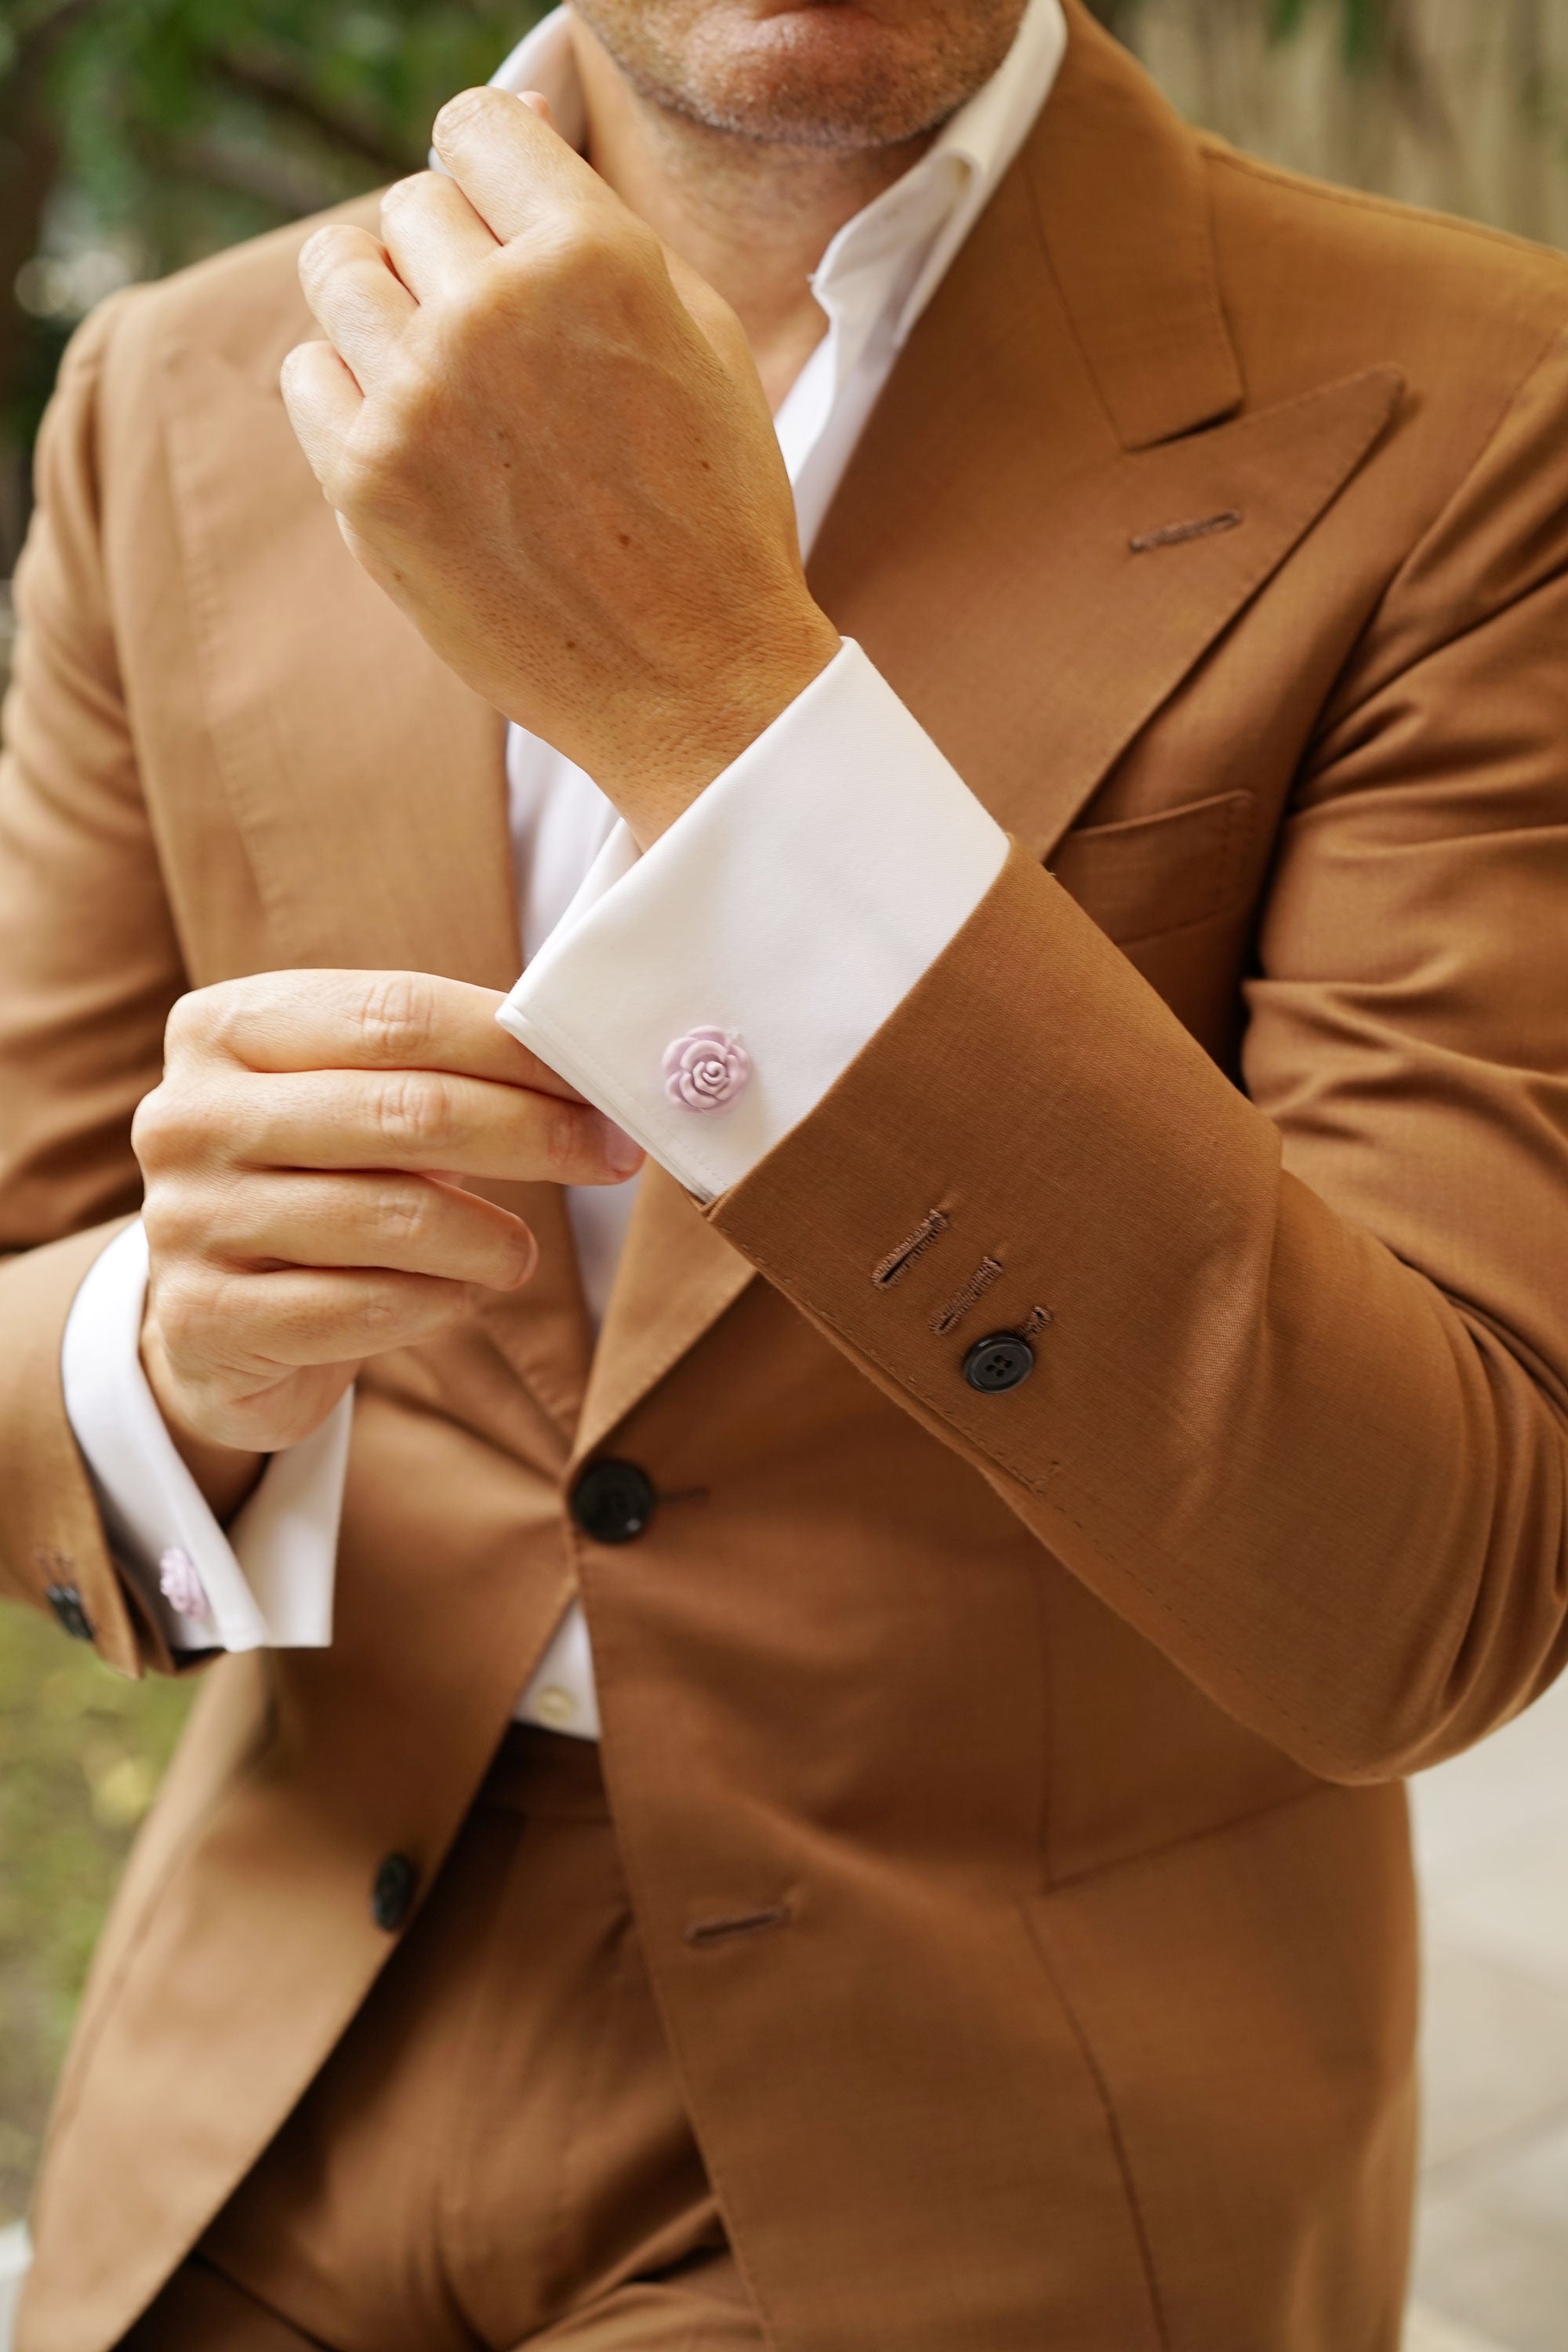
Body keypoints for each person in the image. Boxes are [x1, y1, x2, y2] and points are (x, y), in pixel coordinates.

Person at [3, 0, 1566, 2342]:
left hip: (1000, 2111)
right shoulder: (173, 391)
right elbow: (30, 1286)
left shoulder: (1482, 401)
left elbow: (1439, 1576)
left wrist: (718, 702)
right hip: (270, 2050)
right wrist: (170, 1345)